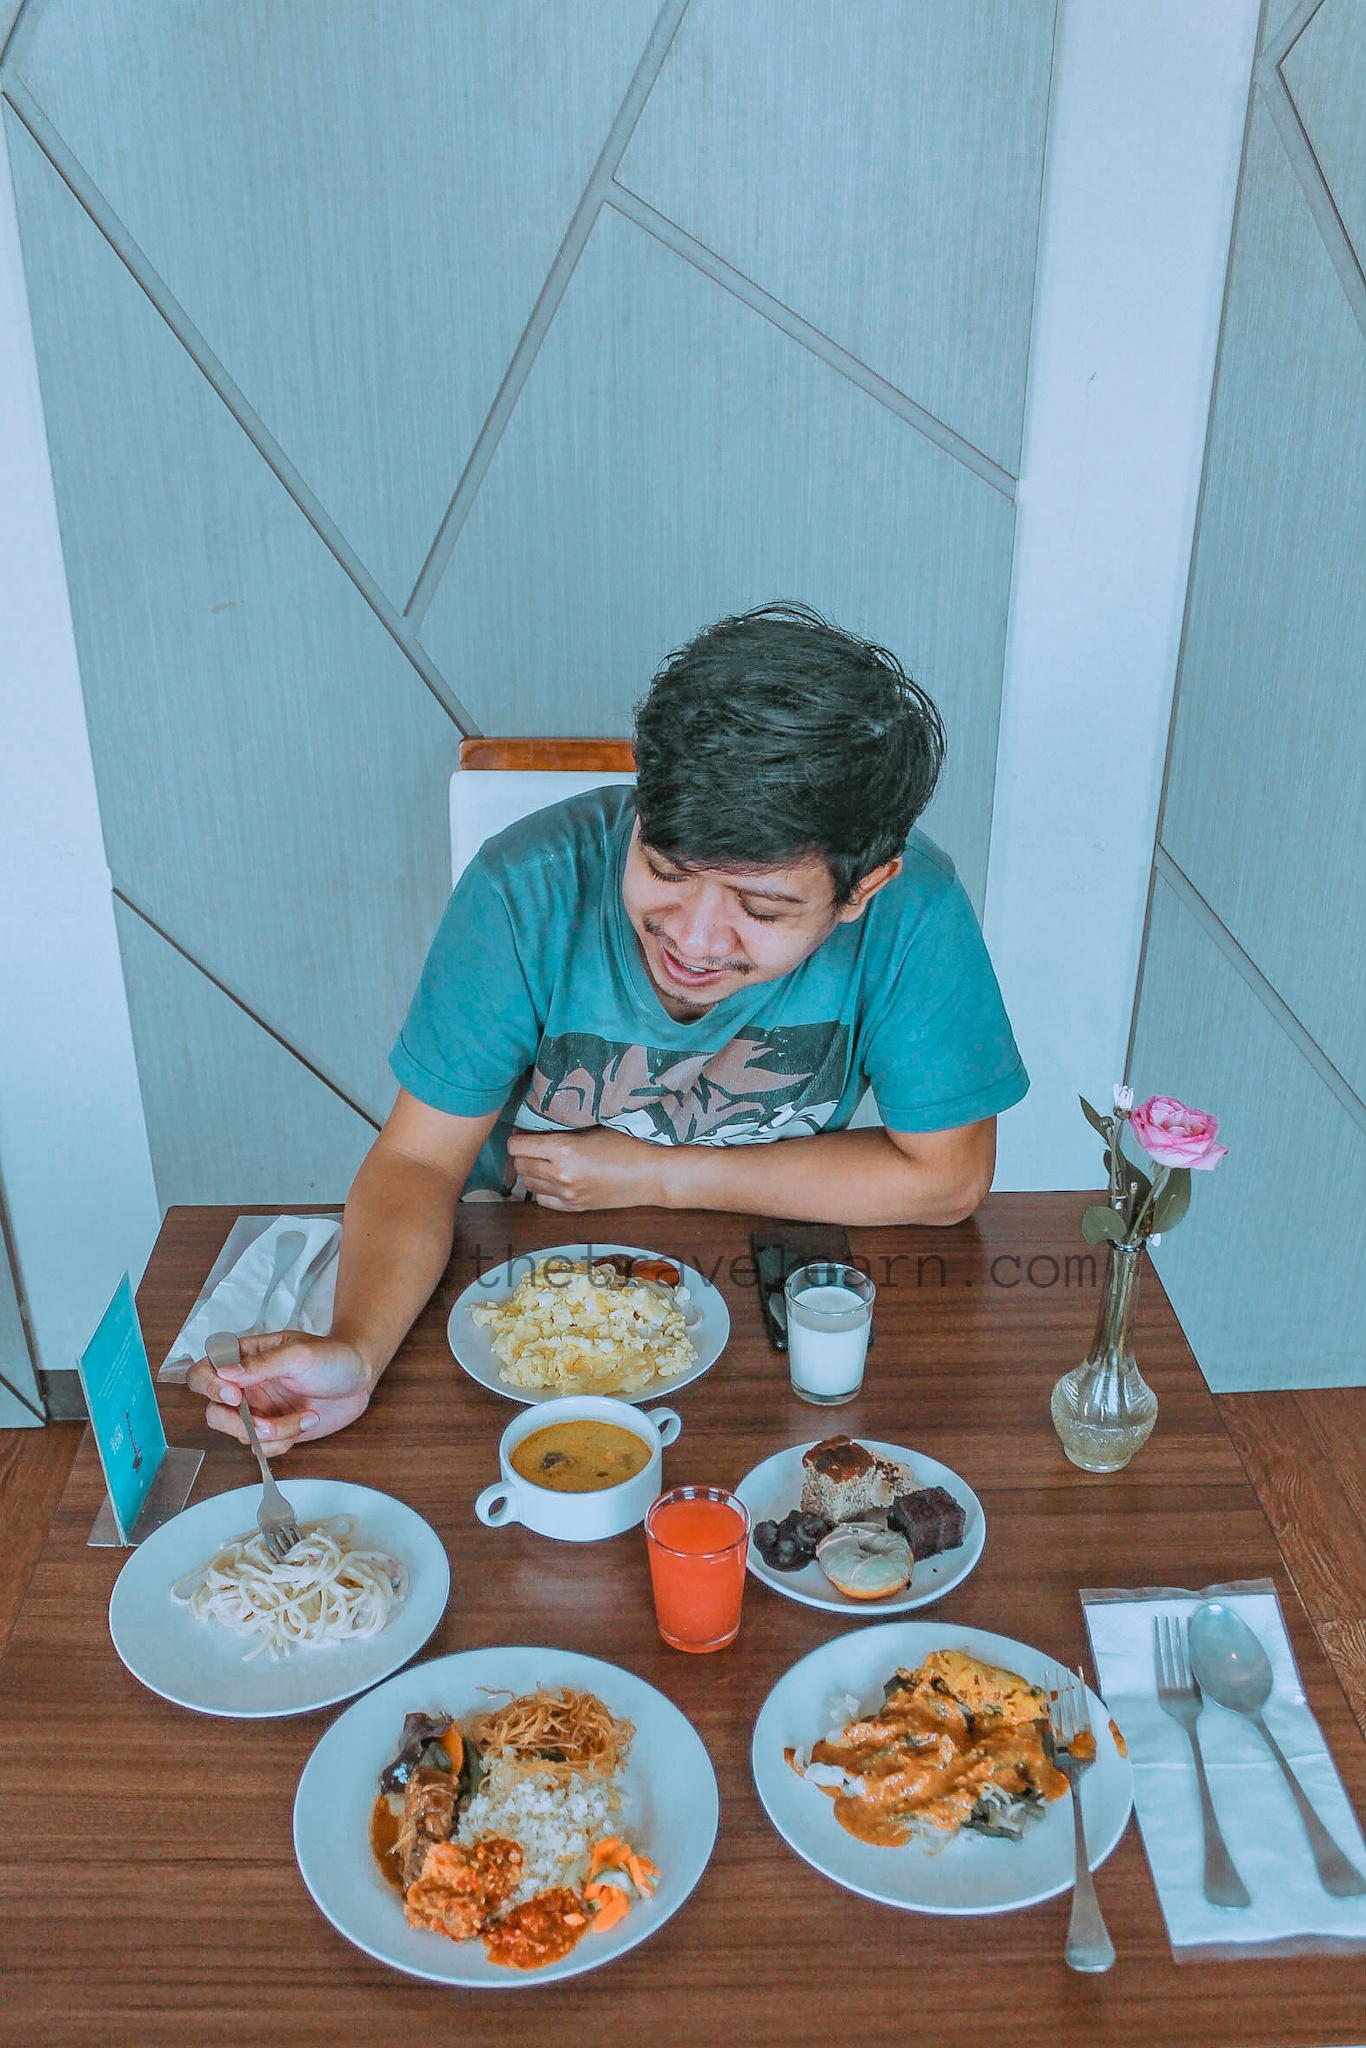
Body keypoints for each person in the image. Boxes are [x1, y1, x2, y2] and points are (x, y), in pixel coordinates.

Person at [189, 603, 1027, 1453]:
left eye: (761, 910)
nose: (694, 941)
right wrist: (358, 1353)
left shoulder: (914, 912)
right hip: (512, 1297)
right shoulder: (525, 887)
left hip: (759, 1316)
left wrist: (659, 1175)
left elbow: (947, 1181)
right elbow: (418, 1160)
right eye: (665, 869)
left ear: (861, 891)